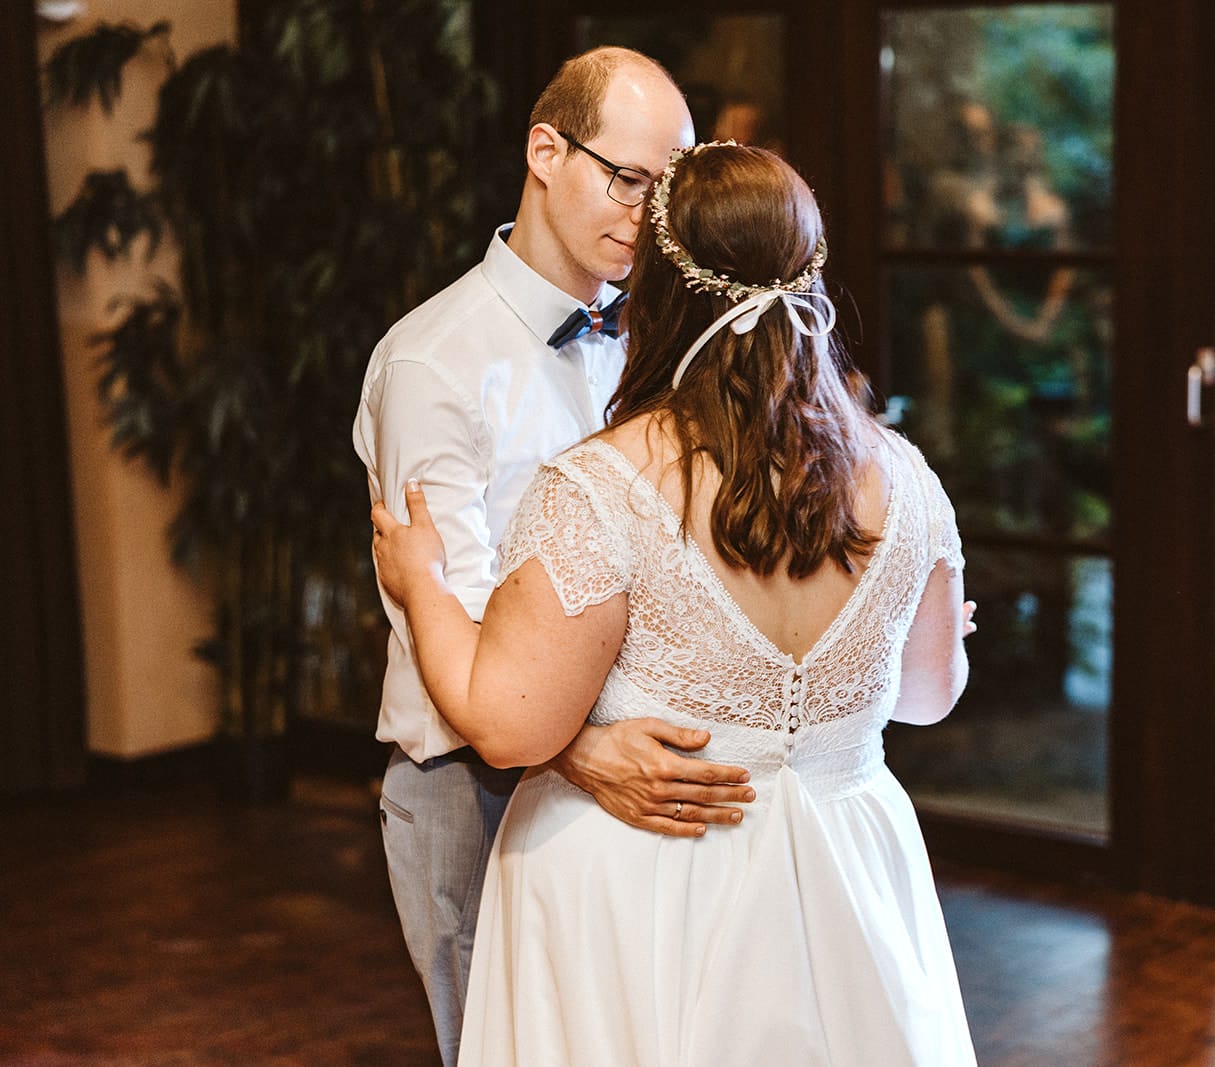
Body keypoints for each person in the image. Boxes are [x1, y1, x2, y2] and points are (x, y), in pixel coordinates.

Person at [372, 141, 978, 1065]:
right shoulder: (904, 478)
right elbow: (928, 694)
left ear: (658, 294)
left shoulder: (601, 487)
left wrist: (421, 582)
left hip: (650, 888)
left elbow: (507, 726)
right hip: (850, 872)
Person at [351, 48, 757, 1065]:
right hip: (472, 782)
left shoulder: (661, 342)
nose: (648, 219)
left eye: (667, 194)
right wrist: (580, 748)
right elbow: (442, 598)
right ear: (545, 151)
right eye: (628, 180)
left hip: (626, 773)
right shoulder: (433, 360)